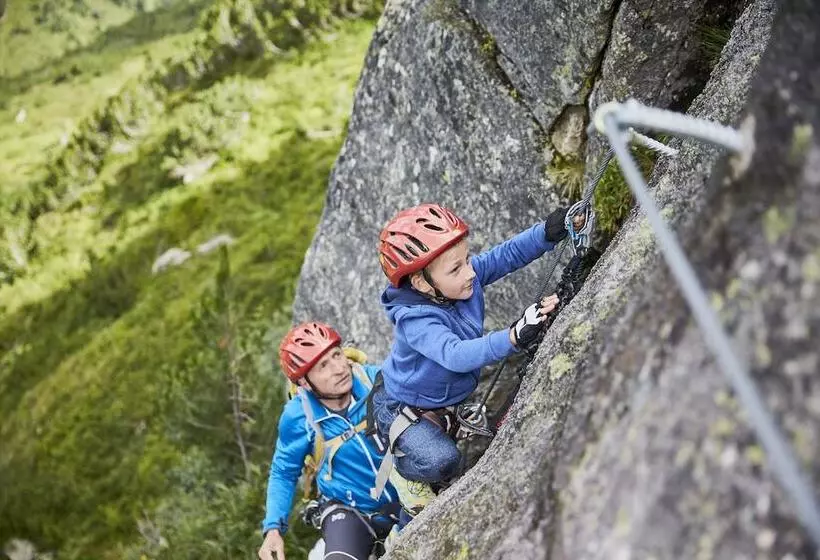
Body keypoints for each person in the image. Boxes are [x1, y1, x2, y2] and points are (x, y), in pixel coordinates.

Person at [369, 203, 571, 512]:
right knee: (443, 461)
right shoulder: (415, 320)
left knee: (444, 470)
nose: (471, 272)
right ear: (422, 282)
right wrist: (512, 336)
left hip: (436, 402)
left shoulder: (459, 282)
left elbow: (504, 257)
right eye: (456, 268)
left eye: (466, 260)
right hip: (400, 408)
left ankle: (402, 527)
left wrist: (545, 233)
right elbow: (454, 354)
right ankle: (404, 474)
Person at [259, 322, 400, 560]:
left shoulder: (376, 381)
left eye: (337, 355)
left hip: (407, 496)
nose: (339, 368)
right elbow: (283, 472)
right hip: (351, 511)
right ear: (304, 382)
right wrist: (273, 529)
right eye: (323, 365)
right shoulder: (299, 417)